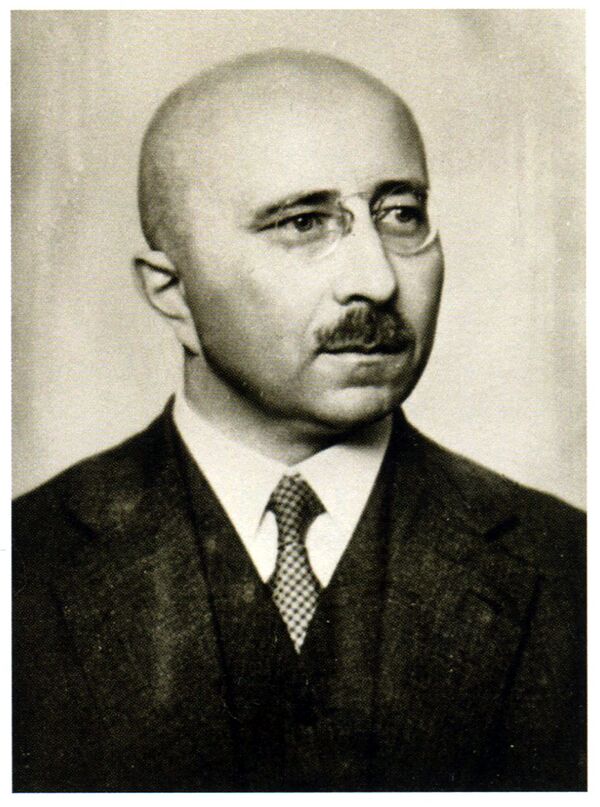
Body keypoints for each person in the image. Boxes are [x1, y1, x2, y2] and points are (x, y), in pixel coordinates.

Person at [12, 49, 585, 793]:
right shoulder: (23, 567)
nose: (378, 280)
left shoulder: (571, 569)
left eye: (401, 215)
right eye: (304, 223)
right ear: (171, 292)